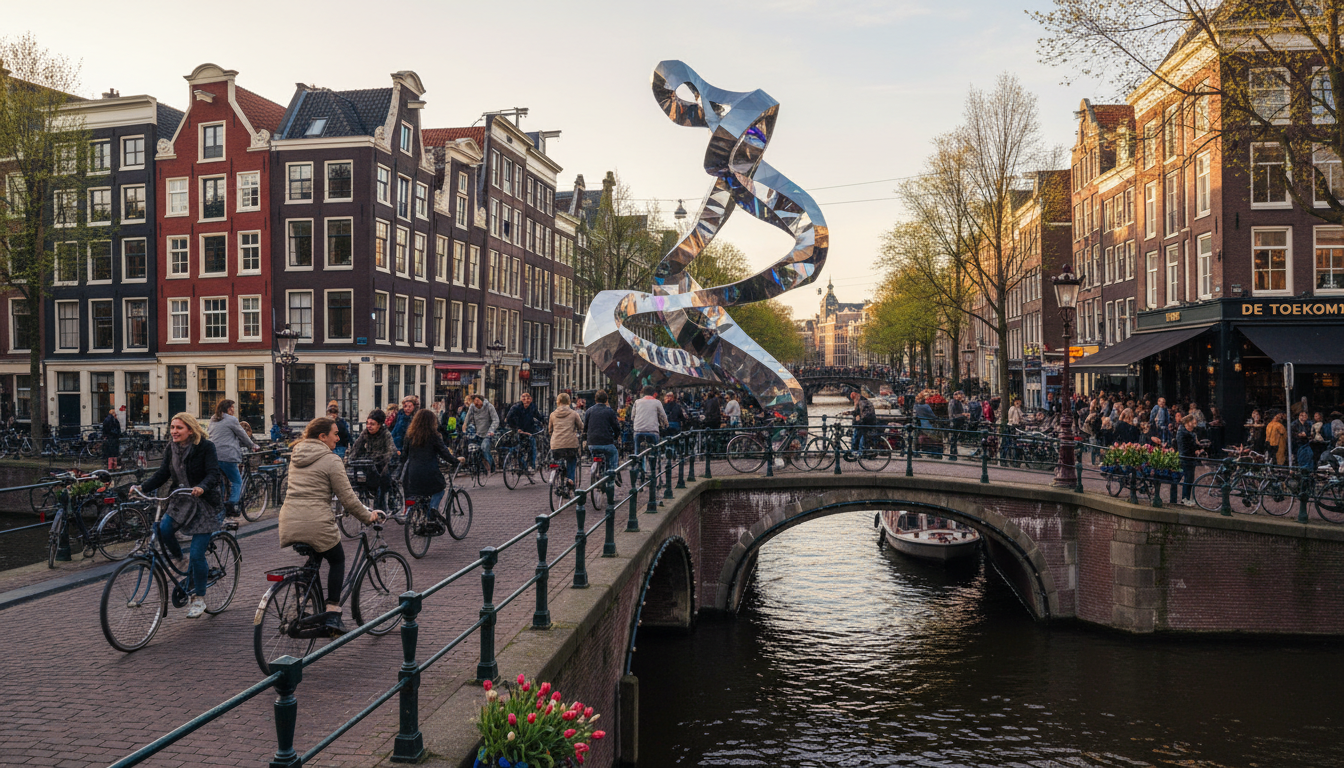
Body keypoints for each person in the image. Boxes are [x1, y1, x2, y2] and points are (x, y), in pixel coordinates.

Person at [278, 417, 383, 636]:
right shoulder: (331, 459)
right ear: (322, 437)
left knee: (315, 558)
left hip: (289, 520)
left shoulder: (296, 455)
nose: (338, 437)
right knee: (337, 559)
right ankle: (333, 611)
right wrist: (368, 516)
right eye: (335, 434)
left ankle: (303, 603)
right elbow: (348, 499)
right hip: (315, 521)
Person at [134, 413, 222, 619]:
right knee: (163, 530)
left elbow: (213, 473)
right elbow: (163, 473)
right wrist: (142, 487)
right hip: (180, 500)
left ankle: (199, 598)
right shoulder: (170, 448)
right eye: (172, 427)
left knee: (198, 554)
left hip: (203, 503)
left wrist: (202, 487)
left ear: (190, 430)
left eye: (179, 428)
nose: (174, 431)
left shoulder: (206, 447)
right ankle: (181, 562)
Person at [208, 399, 259, 521]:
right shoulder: (232, 420)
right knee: (237, 481)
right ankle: (232, 506)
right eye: (233, 408)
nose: (234, 410)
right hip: (228, 455)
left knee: (221, 483)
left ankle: (220, 510)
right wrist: (253, 445)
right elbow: (242, 434)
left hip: (213, 455)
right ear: (228, 409)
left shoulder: (213, 418)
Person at [401, 409, 459, 515]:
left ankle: (420, 518)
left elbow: (404, 455)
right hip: (430, 472)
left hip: (413, 473)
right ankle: (433, 510)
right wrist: (456, 461)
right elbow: (444, 453)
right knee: (440, 488)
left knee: (419, 493)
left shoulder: (409, 436)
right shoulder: (433, 436)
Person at [348, 410, 397, 507]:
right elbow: (356, 447)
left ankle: (388, 499)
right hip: (370, 462)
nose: (369, 426)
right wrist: (350, 459)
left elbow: (391, 450)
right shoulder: (365, 433)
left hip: (383, 462)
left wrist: (386, 459)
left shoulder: (386, 434)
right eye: (367, 423)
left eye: (372, 424)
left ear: (379, 425)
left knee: (383, 481)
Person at [549, 393, 583, 497]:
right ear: (569, 402)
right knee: (572, 460)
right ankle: (570, 479)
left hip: (556, 444)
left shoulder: (553, 414)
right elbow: (581, 426)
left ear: (558, 402)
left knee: (558, 461)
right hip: (570, 444)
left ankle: (559, 478)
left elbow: (550, 430)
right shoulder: (573, 413)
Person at [584, 390, 621, 479]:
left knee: (595, 454)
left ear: (595, 400)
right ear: (606, 400)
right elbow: (616, 427)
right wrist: (615, 437)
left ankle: (597, 470)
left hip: (592, 443)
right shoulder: (609, 411)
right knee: (614, 453)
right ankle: (614, 473)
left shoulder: (589, 411)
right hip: (606, 442)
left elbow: (585, 428)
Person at [506, 392, 544, 478]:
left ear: (531, 399)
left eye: (528, 397)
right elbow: (508, 419)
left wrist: (545, 421)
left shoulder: (532, 407)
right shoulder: (515, 408)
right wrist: (516, 428)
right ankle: (524, 466)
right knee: (525, 446)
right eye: (523, 397)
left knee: (531, 445)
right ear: (520, 399)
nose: (526, 399)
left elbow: (537, 416)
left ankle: (530, 465)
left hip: (529, 430)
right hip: (517, 430)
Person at [631, 386, 668, 472]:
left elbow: (632, 417)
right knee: (655, 449)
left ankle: (637, 467)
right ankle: (654, 470)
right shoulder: (657, 402)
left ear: (643, 393)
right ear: (653, 393)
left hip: (638, 430)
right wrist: (666, 424)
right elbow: (663, 415)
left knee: (637, 450)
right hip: (652, 431)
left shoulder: (637, 402)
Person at [463, 394, 500, 474]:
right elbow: (468, 417)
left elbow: (496, 420)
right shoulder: (472, 407)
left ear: (482, 400)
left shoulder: (489, 407)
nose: (476, 403)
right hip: (478, 433)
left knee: (484, 448)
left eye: (477, 401)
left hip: (488, 433)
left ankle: (492, 465)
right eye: (474, 401)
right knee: (471, 448)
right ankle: (479, 467)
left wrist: (491, 430)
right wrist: (465, 425)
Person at [1174, 415, 1201, 506]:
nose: (1194, 425)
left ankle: (1185, 498)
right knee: (1188, 479)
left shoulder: (1184, 431)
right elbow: (1189, 446)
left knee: (1188, 479)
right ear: (1188, 422)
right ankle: (1185, 498)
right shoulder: (1186, 433)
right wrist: (1196, 449)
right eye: (1193, 423)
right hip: (1186, 458)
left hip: (1187, 457)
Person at [101, 407, 122, 472]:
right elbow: (117, 429)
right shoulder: (114, 420)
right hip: (114, 438)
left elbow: (104, 429)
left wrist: (105, 435)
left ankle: (110, 466)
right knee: (114, 453)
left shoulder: (106, 419)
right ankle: (114, 466)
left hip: (109, 438)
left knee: (110, 453)